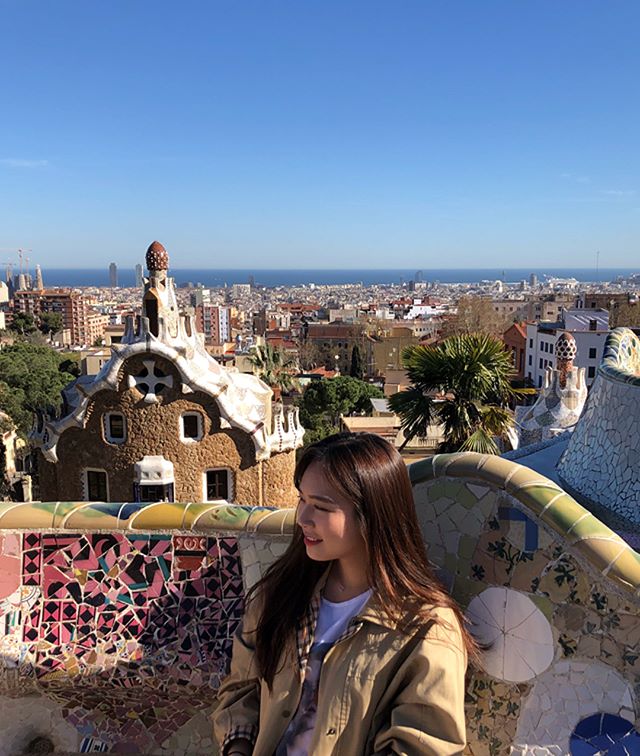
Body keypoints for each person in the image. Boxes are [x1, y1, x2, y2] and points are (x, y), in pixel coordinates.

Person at [213, 432, 473, 756]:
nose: (303, 518)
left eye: (321, 507)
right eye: (302, 499)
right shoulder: (282, 592)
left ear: (371, 515)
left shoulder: (425, 627)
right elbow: (241, 688)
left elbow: (424, 744)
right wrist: (238, 747)